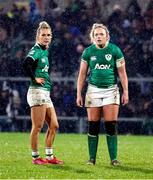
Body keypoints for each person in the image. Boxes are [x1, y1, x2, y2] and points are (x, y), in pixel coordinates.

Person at [76, 23, 129, 166]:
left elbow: (122, 74)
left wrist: (126, 91)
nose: (99, 37)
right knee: (93, 125)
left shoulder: (115, 50)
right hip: (93, 91)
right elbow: (82, 74)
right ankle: (92, 159)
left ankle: (114, 159)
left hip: (111, 90)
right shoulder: (88, 52)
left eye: (101, 34)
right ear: (92, 37)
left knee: (111, 125)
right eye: (96, 35)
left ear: (107, 36)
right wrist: (78, 94)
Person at [23, 21, 63, 165]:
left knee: (54, 125)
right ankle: (35, 157)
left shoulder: (45, 50)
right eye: (43, 35)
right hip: (36, 91)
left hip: (45, 92)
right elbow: (26, 63)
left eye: (49, 35)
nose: (46, 37)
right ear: (38, 36)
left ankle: (50, 157)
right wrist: (34, 78)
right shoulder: (36, 50)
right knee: (38, 126)